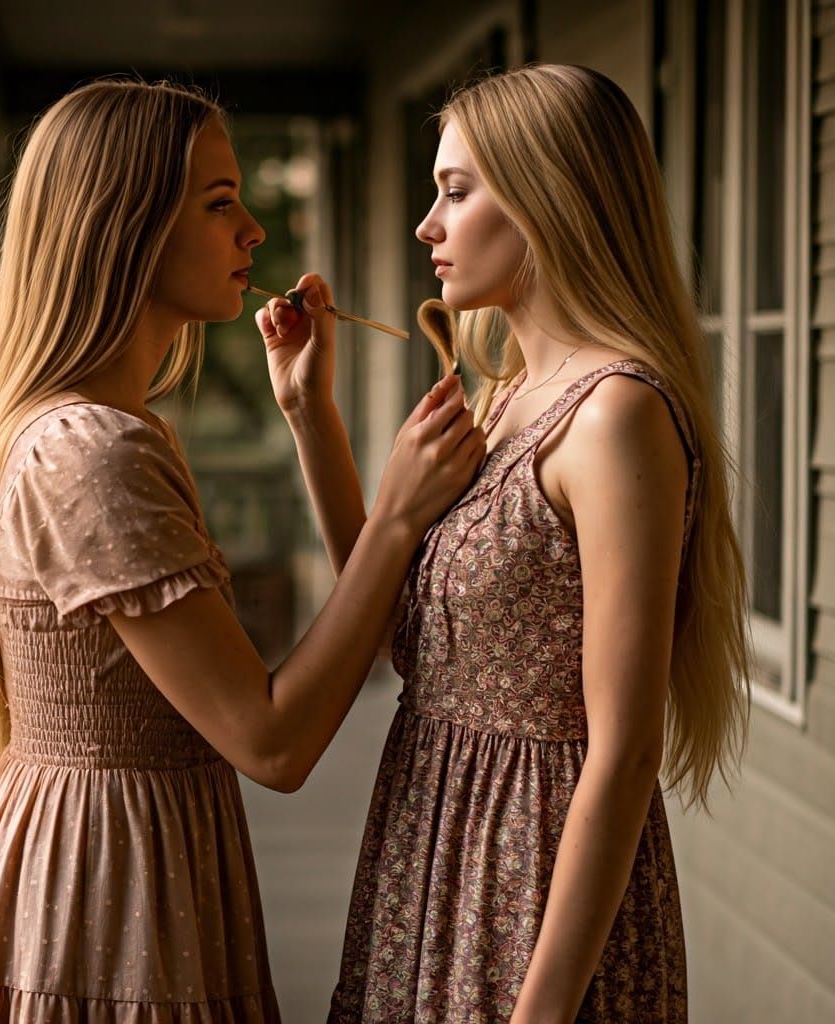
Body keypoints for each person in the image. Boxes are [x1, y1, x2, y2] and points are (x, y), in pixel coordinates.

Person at [0, 79, 486, 1023]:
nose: (255, 233)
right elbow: (272, 740)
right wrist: (394, 518)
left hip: (124, 874)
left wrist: (309, 416)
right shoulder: (93, 452)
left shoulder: (106, 432)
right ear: (122, 229)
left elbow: (359, 655)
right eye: (222, 205)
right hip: (102, 907)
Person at [258, 65, 751, 1023]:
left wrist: (542, 1011)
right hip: (429, 849)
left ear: (548, 198)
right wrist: (310, 417)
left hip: (531, 876)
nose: (425, 227)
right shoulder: (507, 395)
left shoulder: (613, 417)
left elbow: (624, 752)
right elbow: (415, 639)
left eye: (454, 191)